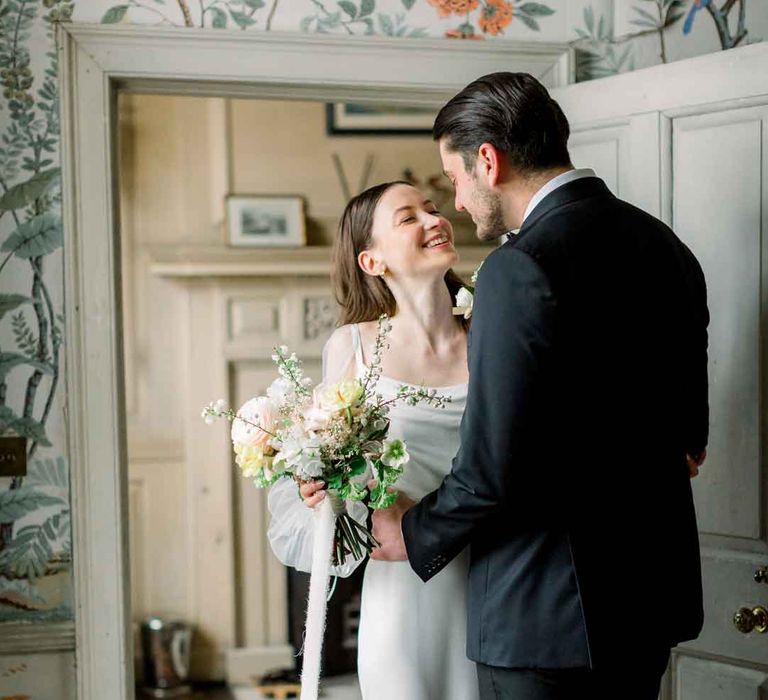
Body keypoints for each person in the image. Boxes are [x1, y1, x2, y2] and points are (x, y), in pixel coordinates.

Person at [371, 72, 709, 700]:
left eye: (454, 182)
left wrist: (410, 534)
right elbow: (691, 436)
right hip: (648, 607)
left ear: (488, 163)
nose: (461, 205)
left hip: (545, 614)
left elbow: (492, 467)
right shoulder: (665, 246)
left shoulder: (517, 266)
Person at [267, 180, 479, 700]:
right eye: (408, 217)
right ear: (371, 261)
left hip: (494, 576)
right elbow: (330, 460)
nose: (435, 219)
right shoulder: (352, 347)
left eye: (433, 208)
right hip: (401, 588)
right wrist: (319, 488)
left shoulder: (491, 332)